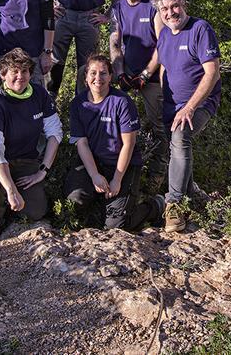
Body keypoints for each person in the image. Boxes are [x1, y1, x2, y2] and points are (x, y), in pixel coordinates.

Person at [65, 53, 163, 230]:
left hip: (121, 164)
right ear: (86, 76)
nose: (98, 78)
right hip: (93, 162)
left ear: (111, 77)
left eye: (103, 73)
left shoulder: (122, 102)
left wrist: (117, 179)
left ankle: (154, 207)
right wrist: (94, 175)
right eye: (93, 73)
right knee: (75, 201)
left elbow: (129, 144)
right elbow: (82, 143)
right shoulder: (78, 104)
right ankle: (101, 205)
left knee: (117, 226)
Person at [0, 48, 62, 238]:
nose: (20, 76)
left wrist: (42, 171)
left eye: (25, 71)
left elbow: (55, 132)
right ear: (3, 75)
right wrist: (11, 189)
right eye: (14, 71)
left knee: (36, 211)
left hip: (25, 159)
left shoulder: (39, 94)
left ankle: (10, 202)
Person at [153, 0, 221, 234]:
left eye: (174, 6)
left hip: (200, 103)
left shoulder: (199, 29)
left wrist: (190, 107)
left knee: (180, 138)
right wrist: (165, 100)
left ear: (184, 6)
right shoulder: (164, 36)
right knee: (175, 144)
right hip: (172, 105)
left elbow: (212, 72)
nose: (170, 13)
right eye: (164, 9)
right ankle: (192, 191)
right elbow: (164, 69)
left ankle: (174, 206)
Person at [107, 0, 167, 192]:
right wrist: (119, 72)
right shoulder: (118, 9)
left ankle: (156, 179)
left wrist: (146, 73)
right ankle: (121, 172)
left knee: (159, 127)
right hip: (127, 76)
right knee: (120, 124)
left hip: (152, 78)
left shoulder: (153, 7)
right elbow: (115, 42)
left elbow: (162, 45)